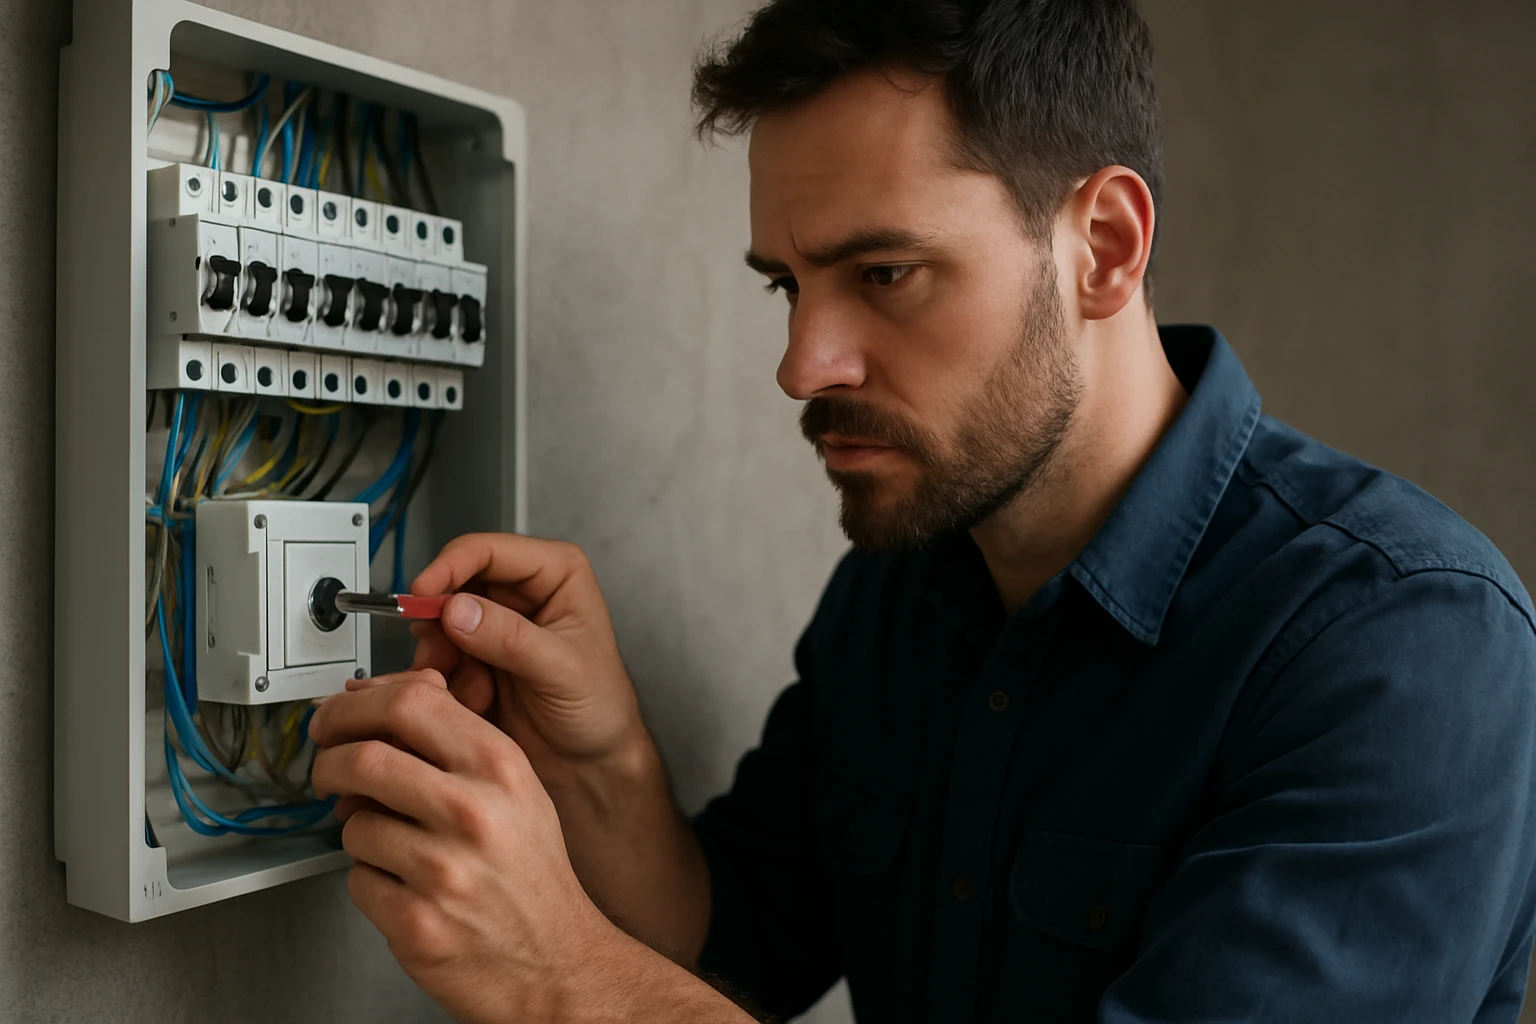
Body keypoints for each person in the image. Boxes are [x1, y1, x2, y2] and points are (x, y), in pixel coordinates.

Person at [306, 1, 1536, 1021]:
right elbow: (737, 947)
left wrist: (562, 978)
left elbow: (622, 978)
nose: (802, 363)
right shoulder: (903, 586)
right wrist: (602, 761)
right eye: (788, 285)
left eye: (883, 275)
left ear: (1103, 245)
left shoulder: (1407, 646)